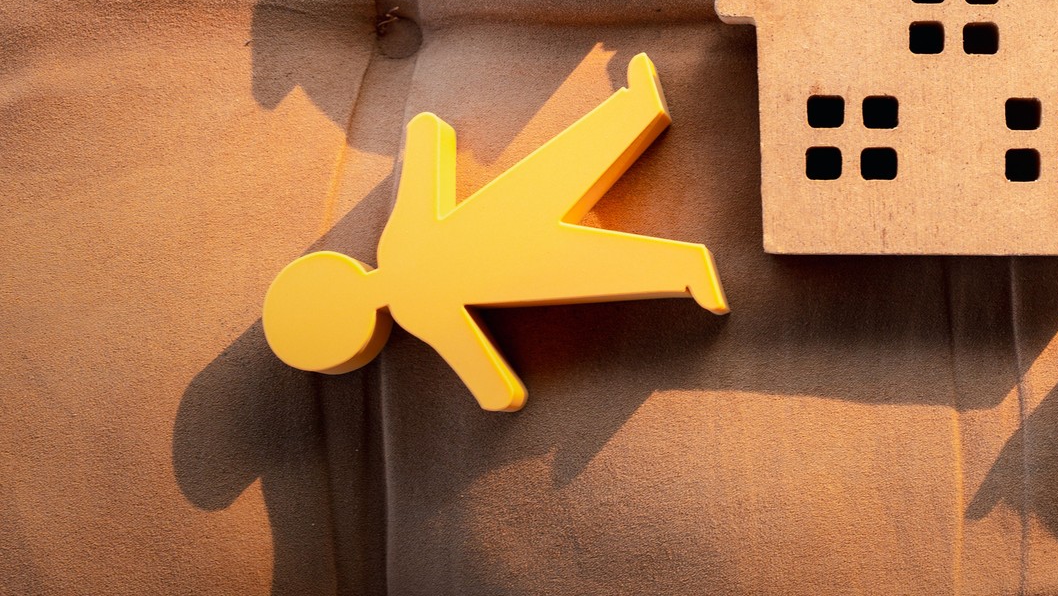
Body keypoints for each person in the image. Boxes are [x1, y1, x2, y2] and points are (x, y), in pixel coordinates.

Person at [262, 54, 729, 412]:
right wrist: (425, 136)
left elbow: (476, 364)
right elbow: (419, 185)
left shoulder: (413, 308)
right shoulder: (399, 258)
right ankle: (638, 110)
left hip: (517, 255)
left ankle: (684, 259)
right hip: (509, 230)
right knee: (575, 175)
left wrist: (492, 391)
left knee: (591, 241)